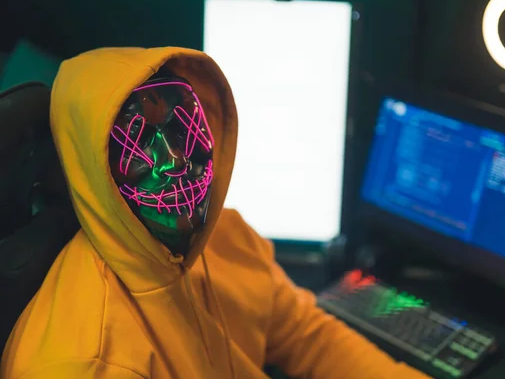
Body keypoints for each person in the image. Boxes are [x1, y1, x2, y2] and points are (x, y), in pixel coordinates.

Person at [0, 47, 430, 379]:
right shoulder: (83, 362)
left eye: (180, 124)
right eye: (138, 138)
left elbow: (307, 335)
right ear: (89, 167)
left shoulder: (226, 234)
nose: (174, 160)